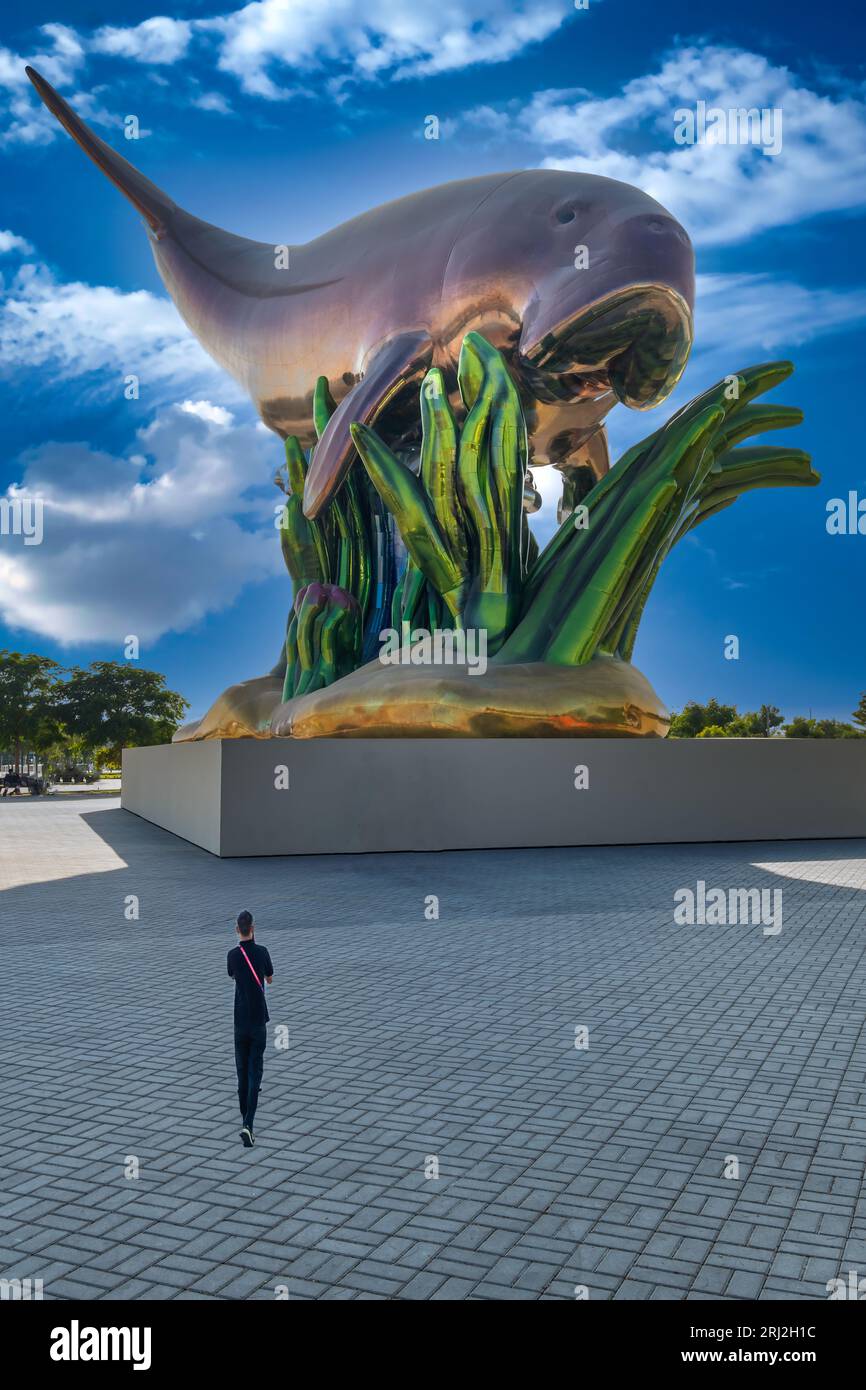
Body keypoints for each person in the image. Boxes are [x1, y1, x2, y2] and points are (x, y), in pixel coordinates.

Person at [227, 910, 274, 1147]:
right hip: (258, 1022)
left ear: (237, 929)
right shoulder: (262, 952)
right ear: (253, 928)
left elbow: (232, 975)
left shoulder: (232, 955)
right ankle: (248, 1125)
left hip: (240, 1021)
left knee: (242, 1073)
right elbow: (270, 978)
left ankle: (245, 1121)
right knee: (255, 1072)